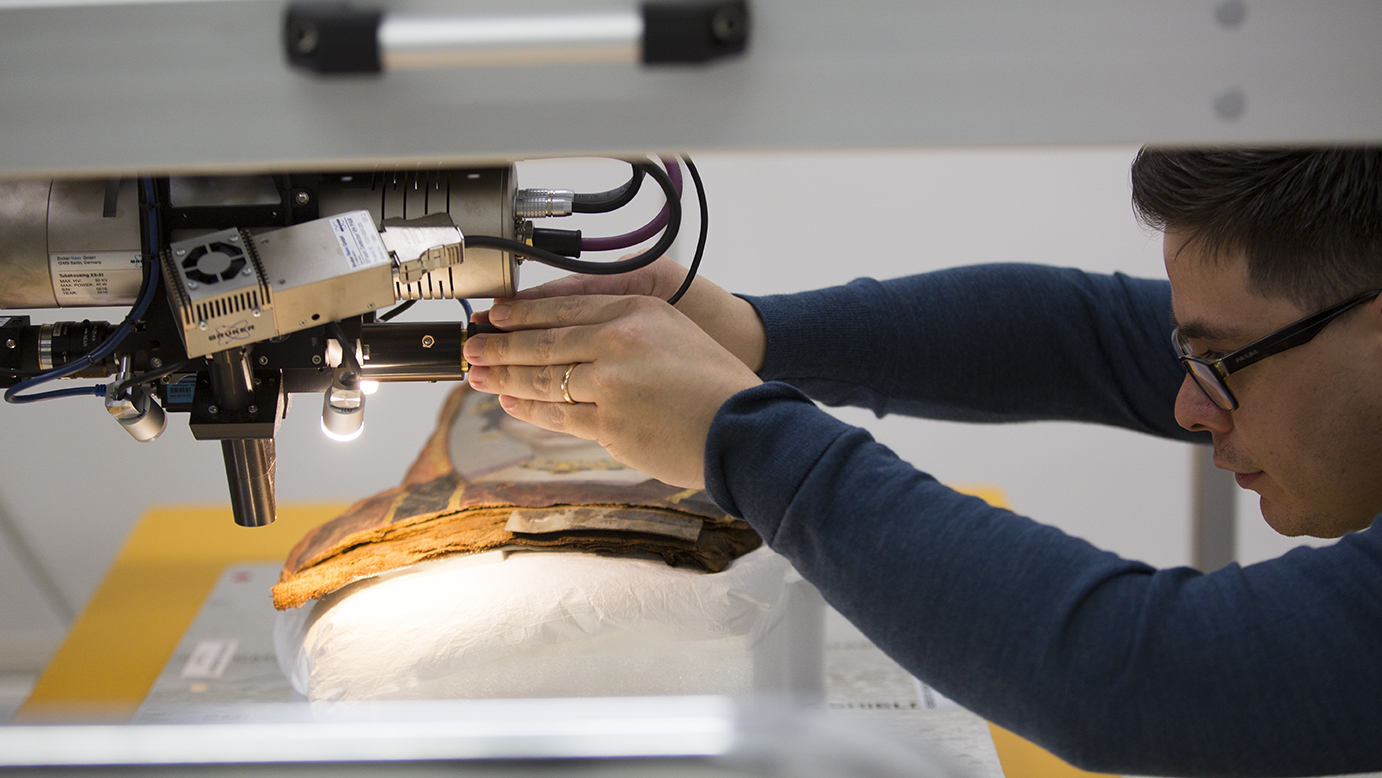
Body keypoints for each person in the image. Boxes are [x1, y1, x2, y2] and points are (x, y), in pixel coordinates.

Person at [460, 148, 1382, 777]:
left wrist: (736, 435)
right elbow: (1088, 337)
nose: (1186, 404)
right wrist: (759, 334)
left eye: (1219, 365)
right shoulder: (1319, 326)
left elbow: (1147, 674)